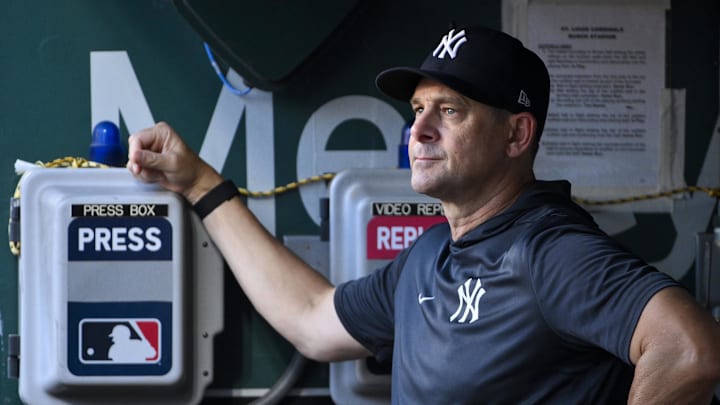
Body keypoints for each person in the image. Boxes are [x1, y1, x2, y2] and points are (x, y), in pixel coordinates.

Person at [127, 25, 720, 403]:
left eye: (451, 110)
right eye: (417, 108)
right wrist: (201, 184)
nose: (420, 129)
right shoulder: (431, 256)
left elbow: (689, 350)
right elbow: (310, 318)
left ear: (517, 134)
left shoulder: (551, 251)